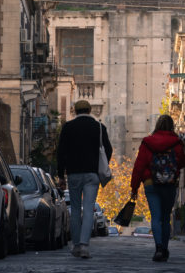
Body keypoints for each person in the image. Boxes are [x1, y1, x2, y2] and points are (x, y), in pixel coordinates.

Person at [56, 99, 112, 259]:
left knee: (74, 210)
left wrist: (61, 175)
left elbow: (61, 152)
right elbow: (108, 150)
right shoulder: (99, 128)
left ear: (75, 111)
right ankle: (85, 246)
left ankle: (76, 245)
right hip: (92, 174)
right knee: (88, 210)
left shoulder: (68, 127)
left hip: (73, 173)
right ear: (89, 110)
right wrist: (101, 165)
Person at [130, 114, 185, 262]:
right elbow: (181, 162)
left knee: (155, 217)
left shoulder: (147, 142)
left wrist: (134, 187)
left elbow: (139, 165)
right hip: (169, 183)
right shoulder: (177, 142)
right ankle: (165, 248)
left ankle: (159, 248)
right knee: (165, 218)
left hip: (150, 183)